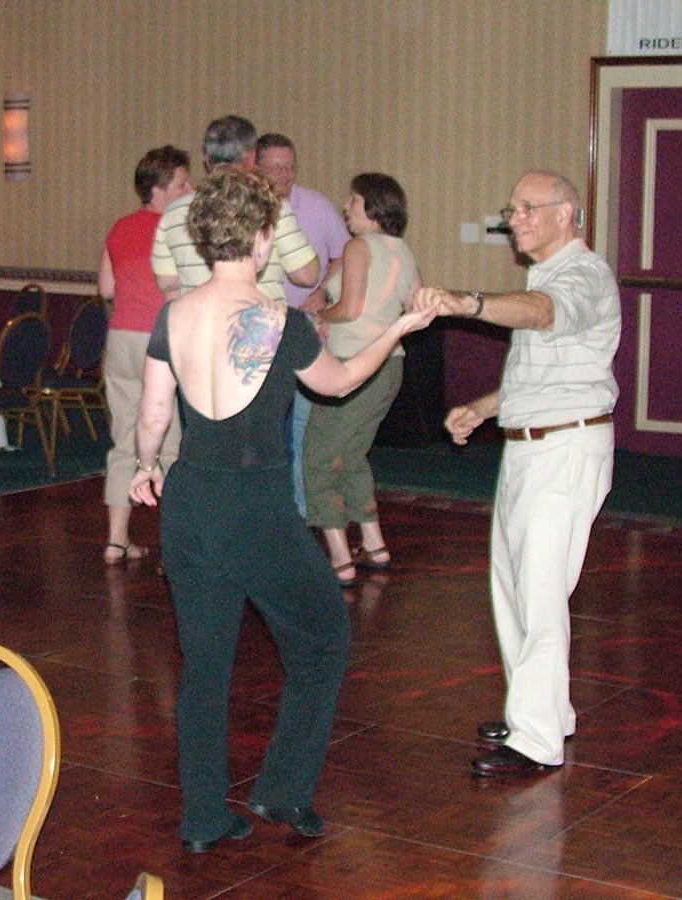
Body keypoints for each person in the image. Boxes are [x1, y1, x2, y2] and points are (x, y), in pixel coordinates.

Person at [130, 169, 434, 852]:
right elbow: (342, 382)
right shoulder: (281, 322)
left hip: (190, 502)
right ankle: (284, 789)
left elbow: (152, 415)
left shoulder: (172, 315)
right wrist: (399, 326)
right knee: (323, 640)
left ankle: (204, 819)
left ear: (203, 238)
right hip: (256, 508)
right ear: (264, 239)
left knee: (204, 667)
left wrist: (146, 468)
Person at [412, 170, 620, 777]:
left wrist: (466, 303)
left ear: (567, 215)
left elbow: (541, 315)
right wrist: (483, 407)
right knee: (512, 586)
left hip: (565, 450)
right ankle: (543, 713)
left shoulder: (582, 275)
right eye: (512, 210)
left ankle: (536, 740)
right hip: (534, 448)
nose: (516, 220)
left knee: (539, 591)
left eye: (529, 208)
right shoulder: (546, 274)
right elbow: (544, 368)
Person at [303, 174, 420, 587]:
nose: (345, 206)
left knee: (318, 459)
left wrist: (317, 316)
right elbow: (414, 306)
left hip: (352, 365)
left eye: (353, 200)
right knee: (352, 457)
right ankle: (374, 545)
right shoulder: (402, 249)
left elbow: (350, 309)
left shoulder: (359, 246)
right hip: (389, 365)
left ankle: (339, 557)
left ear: (373, 207)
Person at [97, 145, 191, 564]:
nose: (190, 190)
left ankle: (116, 541)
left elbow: (106, 289)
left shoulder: (119, 227)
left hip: (121, 338)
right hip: (160, 338)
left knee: (125, 440)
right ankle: (176, 547)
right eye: (182, 184)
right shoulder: (178, 229)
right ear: (158, 190)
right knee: (168, 443)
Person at [255, 132, 351, 516]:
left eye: (290, 166)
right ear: (256, 167)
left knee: (302, 426)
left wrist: (323, 289)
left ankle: (297, 508)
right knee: (264, 424)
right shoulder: (247, 207)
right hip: (259, 329)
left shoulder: (317, 206)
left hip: (305, 326)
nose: (285, 175)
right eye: (275, 167)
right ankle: (267, 504)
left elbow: (344, 255)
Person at [151, 115, 319, 302]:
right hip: (260, 318)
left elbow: (166, 282)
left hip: (201, 318)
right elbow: (306, 276)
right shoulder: (271, 204)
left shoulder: (173, 212)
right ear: (252, 157)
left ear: (206, 159)